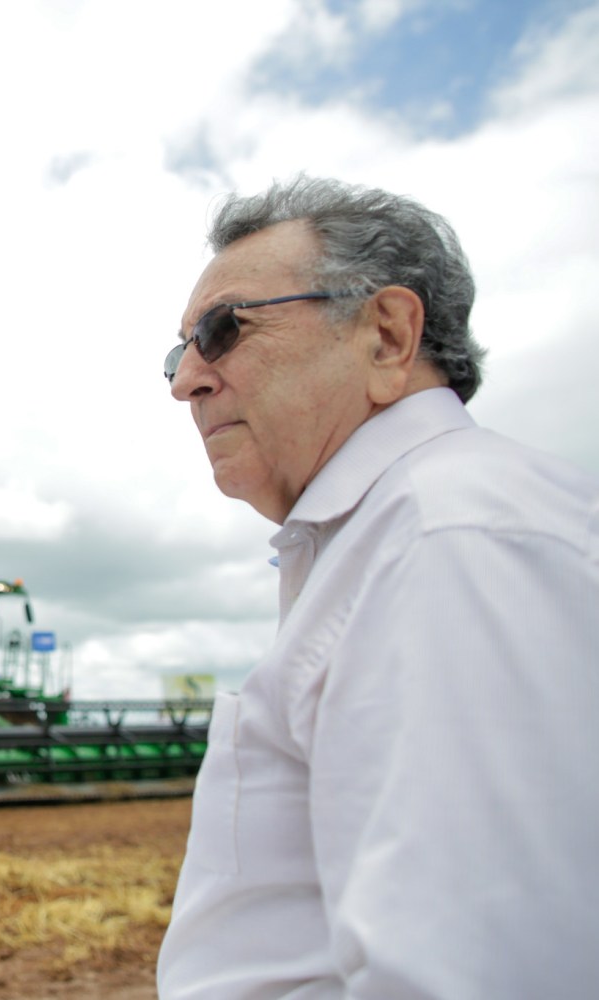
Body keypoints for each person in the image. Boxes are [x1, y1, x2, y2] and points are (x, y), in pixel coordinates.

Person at [156, 176, 599, 998]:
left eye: (224, 330)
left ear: (389, 336)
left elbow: (480, 972)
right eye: (178, 352)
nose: (188, 380)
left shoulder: (452, 538)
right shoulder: (395, 537)